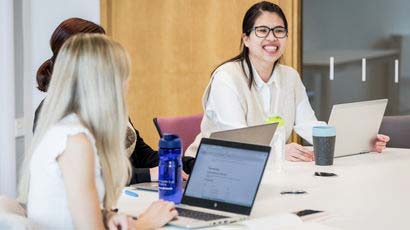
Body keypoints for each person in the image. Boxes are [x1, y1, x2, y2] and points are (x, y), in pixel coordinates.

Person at [185, 1, 389, 161]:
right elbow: (239, 140)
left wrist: (358, 141)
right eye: (262, 30)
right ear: (246, 39)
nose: (272, 38)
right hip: (211, 171)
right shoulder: (227, 77)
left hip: (269, 172)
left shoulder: (289, 76)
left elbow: (308, 124)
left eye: (279, 31)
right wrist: (279, 152)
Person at [19, 34, 178, 229]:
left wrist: (105, 215)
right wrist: (145, 223)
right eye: (124, 76)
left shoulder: (63, 128)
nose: (127, 84)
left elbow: (66, 206)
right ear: (106, 84)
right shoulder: (75, 143)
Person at [33, 17, 193, 182]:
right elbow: (92, 176)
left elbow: (142, 155)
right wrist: (150, 174)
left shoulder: (107, 102)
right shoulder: (55, 112)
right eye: (102, 54)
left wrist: (188, 164)